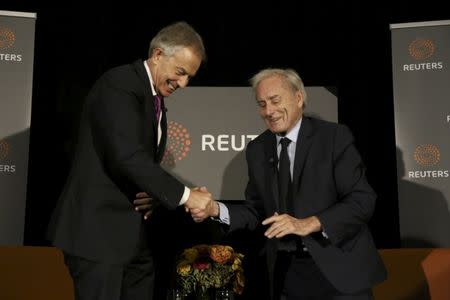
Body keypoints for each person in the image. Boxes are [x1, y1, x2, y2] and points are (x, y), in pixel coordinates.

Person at [47, 21, 214, 300]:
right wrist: (187, 196)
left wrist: (154, 194)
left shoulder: (153, 97)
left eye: (189, 77)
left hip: (132, 241)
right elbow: (126, 156)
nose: (183, 83)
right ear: (158, 55)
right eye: (180, 72)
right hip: (97, 237)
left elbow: (137, 165)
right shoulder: (119, 84)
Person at [191, 68, 387, 299]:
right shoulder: (257, 149)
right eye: (262, 104)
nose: (269, 111)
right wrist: (216, 209)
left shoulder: (333, 137)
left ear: (298, 97)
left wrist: (309, 223)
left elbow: (362, 201)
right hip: (288, 275)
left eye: (275, 100)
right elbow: (257, 211)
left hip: (340, 271)